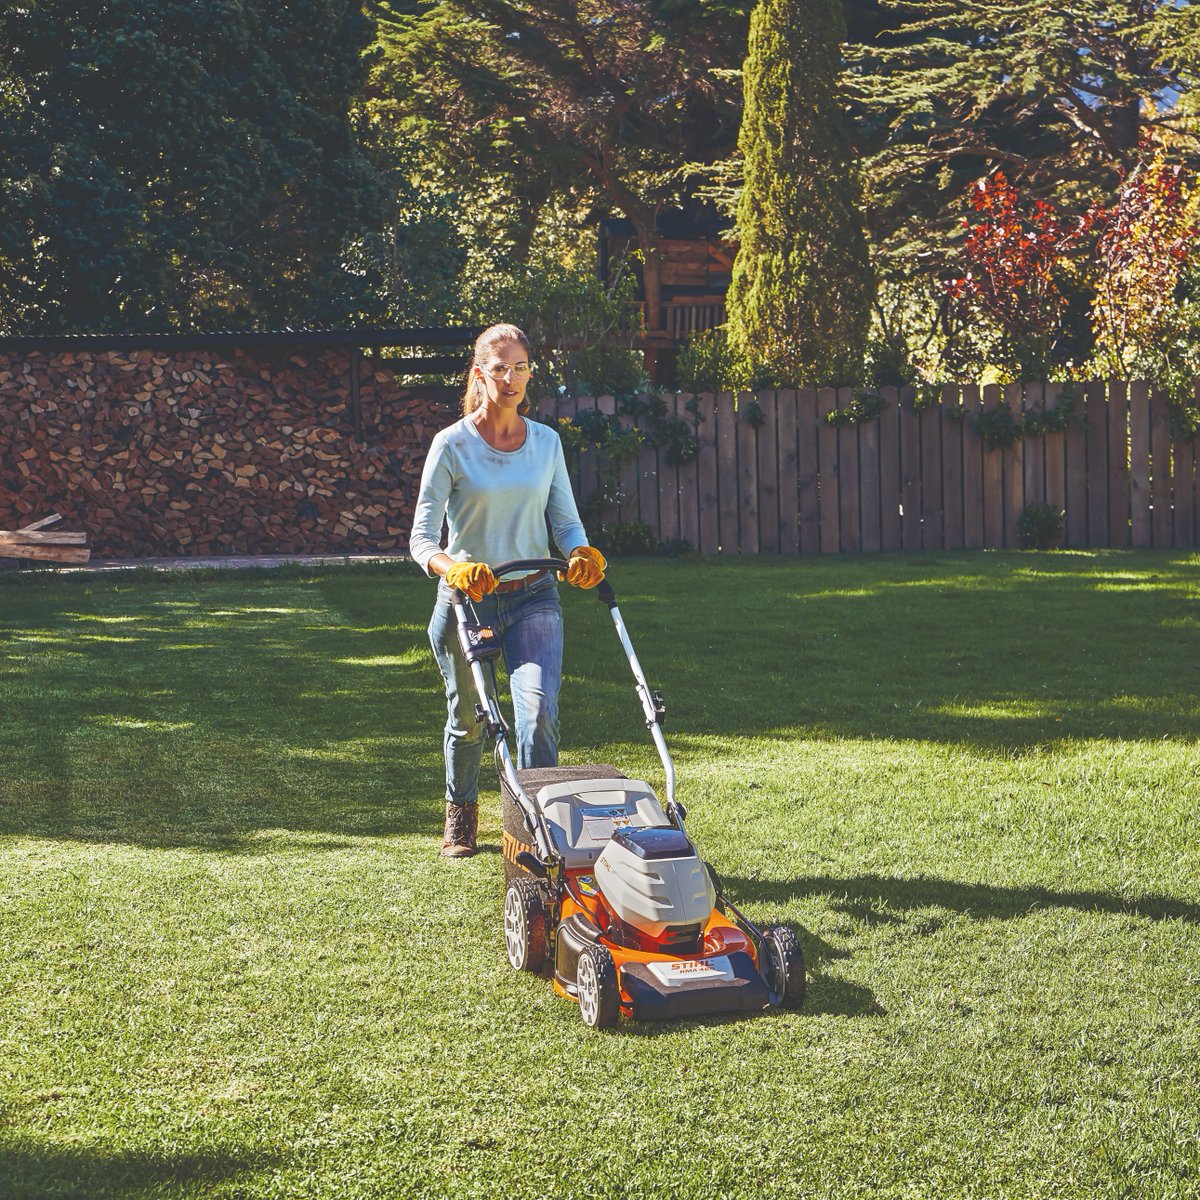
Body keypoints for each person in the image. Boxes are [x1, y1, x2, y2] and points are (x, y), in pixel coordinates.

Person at [409, 323, 607, 857]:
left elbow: (565, 523)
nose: (511, 377)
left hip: (535, 594)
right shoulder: (451, 445)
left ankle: (536, 832)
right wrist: (453, 570)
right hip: (467, 601)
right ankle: (461, 815)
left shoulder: (546, 442)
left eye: (520, 367)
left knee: (537, 710)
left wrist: (580, 553)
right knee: (470, 718)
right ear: (480, 373)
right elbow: (422, 540)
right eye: (500, 368)